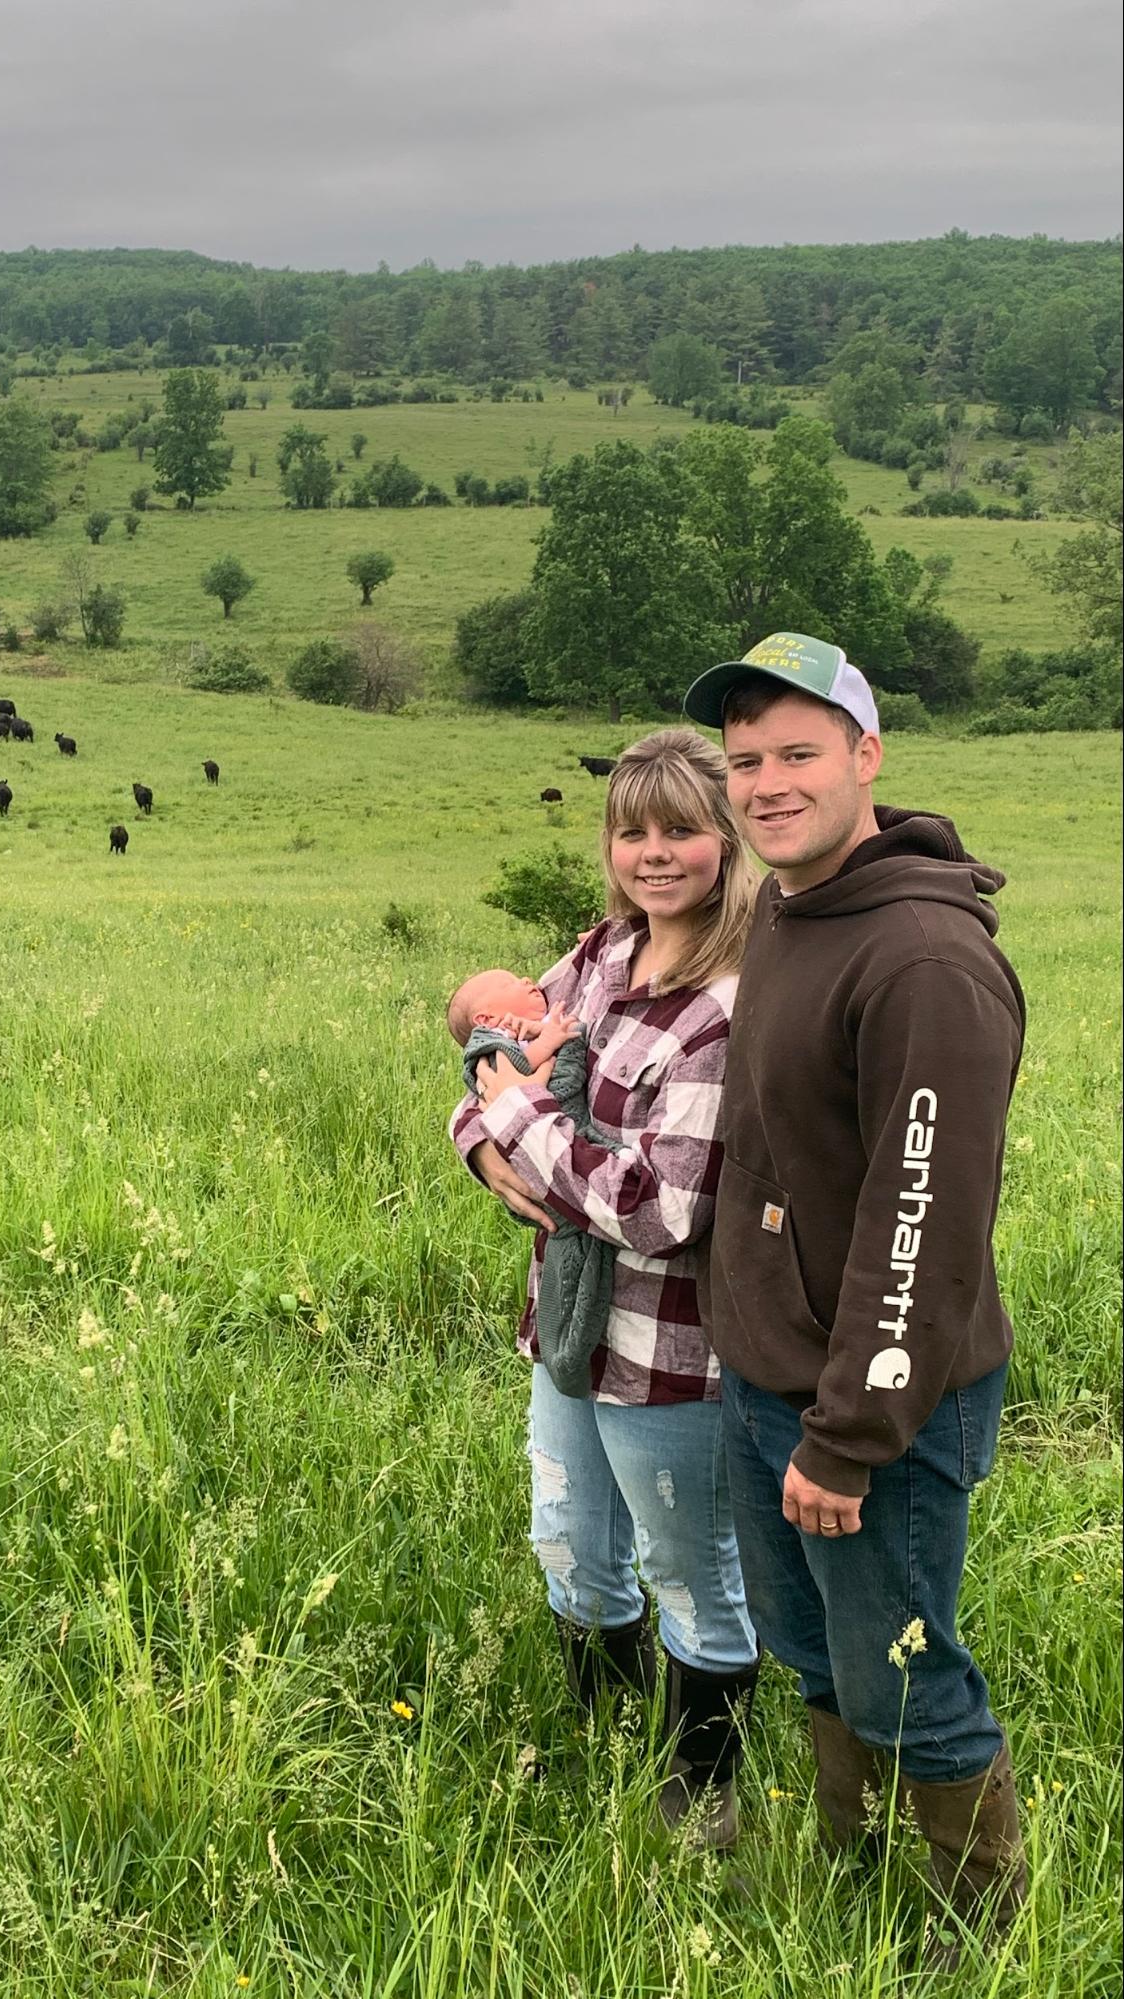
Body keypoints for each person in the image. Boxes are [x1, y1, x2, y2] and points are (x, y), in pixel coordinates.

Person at [681, 632, 1027, 1955]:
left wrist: (850, 1432)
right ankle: (856, 1866)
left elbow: (921, 1227)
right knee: (819, 1653)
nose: (766, 783)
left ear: (868, 755)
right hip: (771, 1375)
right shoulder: (785, 906)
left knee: (905, 1671)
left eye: (797, 754)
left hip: (875, 1401)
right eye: (746, 759)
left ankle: (969, 1936)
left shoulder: (924, 961)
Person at [451, 728, 761, 1846]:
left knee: (689, 1564)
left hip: (673, 1351)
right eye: (633, 830)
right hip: (570, 1330)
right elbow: (492, 1056)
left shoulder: (728, 1004)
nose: (654, 852)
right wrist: (483, 1142)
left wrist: (517, 1126)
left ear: (726, 841)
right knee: (571, 1545)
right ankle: (605, 1739)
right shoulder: (596, 956)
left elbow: (662, 1210)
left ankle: (703, 1790)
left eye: (681, 828)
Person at [446, 969, 612, 1398]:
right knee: (574, 1262)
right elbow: (512, 1073)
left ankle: (567, 1344)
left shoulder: (521, 1026)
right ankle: (566, 1348)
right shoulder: (492, 1044)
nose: (527, 980)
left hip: (561, 1154)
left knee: (575, 1264)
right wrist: (550, 1038)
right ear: (487, 1016)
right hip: (553, 1167)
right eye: (510, 982)